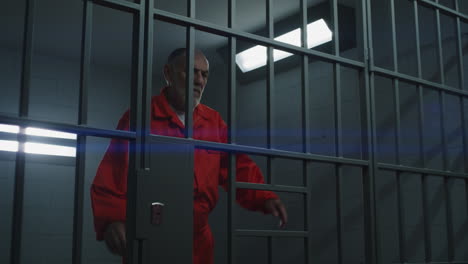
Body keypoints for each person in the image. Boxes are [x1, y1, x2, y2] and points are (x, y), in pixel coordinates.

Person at [90, 48, 288, 264]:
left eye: (204, 75)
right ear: (168, 73)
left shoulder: (213, 121)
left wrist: (264, 197)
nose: (199, 81)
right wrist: (112, 220)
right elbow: (114, 171)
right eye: (191, 72)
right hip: (153, 233)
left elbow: (236, 166)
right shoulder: (141, 118)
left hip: (199, 238)